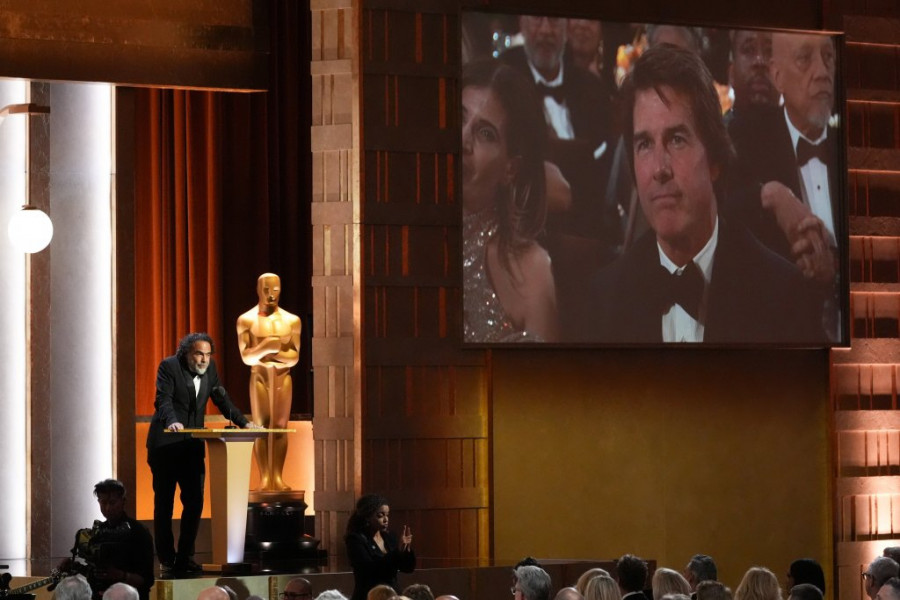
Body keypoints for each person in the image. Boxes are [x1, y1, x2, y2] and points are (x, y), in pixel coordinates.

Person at [590, 44, 820, 344]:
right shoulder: (605, 298)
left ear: (714, 160)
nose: (659, 168)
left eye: (676, 139)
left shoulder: (783, 295)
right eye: (644, 145)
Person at [726, 31, 839, 340]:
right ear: (777, 76)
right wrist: (772, 194)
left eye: (828, 57)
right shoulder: (746, 141)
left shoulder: (861, 149)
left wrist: (836, 272)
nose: (822, 72)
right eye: (805, 59)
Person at [146, 332, 261, 574]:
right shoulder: (169, 366)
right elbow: (163, 400)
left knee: (195, 502)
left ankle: (185, 557)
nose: (204, 359)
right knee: (164, 504)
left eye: (208, 355)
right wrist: (172, 421)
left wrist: (244, 423)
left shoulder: (210, 369)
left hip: (192, 446)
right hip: (166, 445)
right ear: (186, 353)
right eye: (199, 354)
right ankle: (167, 559)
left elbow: (222, 399)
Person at [461, 58, 559, 342]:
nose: (463, 140)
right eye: (458, 117)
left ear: (510, 169)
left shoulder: (531, 270)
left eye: (485, 133)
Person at [237, 272, 302, 491]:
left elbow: (294, 357)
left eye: (275, 289)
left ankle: (278, 477)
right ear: (258, 290)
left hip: (283, 377)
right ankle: (265, 478)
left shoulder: (291, 320)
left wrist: (270, 353)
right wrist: (268, 346)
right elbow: (247, 357)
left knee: (281, 427)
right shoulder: (246, 320)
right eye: (266, 289)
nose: (271, 294)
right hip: (260, 377)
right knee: (262, 426)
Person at [59, 479, 154, 600]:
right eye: (103, 503)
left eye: (112, 502)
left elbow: (147, 580)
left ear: (123, 501)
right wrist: (74, 567)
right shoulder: (98, 532)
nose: (108, 508)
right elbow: (93, 573)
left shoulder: (138, 532)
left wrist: (120, 575)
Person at [345, 494, 415, 600]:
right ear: (367, 516)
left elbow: (408, 568)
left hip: (392, 595)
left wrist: (405, 550)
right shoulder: (355, 539)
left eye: (387, 515)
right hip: (369, 595)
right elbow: (370, 570)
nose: (386, 519)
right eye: (380, 515)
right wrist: (396, 552)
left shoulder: (389, 537)